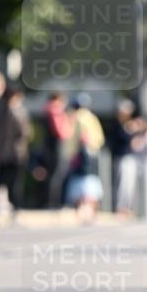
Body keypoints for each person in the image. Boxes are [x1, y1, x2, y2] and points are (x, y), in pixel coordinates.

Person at [65, 94, 105, 223]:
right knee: (91, 182)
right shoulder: (92, 118)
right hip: (92, 153)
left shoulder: (77, 117)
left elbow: (75, 138)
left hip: (81, 153)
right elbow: (100, 139)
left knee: (80, 182)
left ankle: (82, 211)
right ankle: (91, 211)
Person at [0, 84, 30, 214]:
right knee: (8, 181)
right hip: (12, 153)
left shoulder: (1, 111)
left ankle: (11, 206)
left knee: (6, 181)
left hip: (7, 152)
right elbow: (25, 133)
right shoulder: (15, 112)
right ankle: (12, 206)